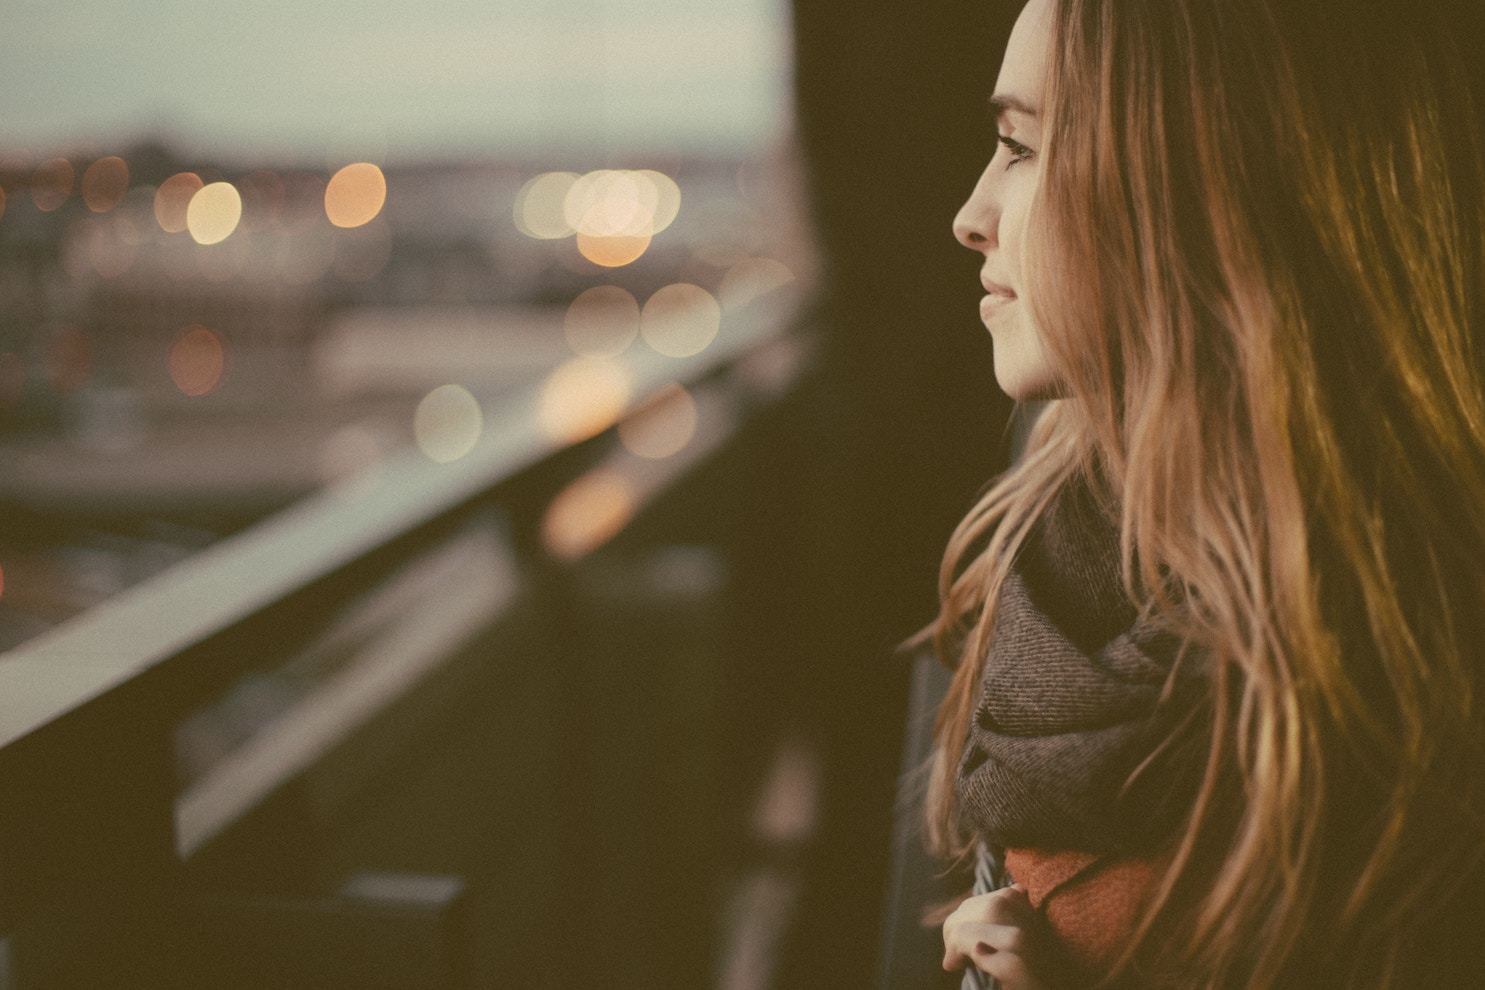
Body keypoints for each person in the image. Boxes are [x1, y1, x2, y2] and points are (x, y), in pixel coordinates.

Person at [903, 0, 1485, 985]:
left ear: (1212, 176)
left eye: (1020, 147)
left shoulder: (1413, 673)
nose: (970, 217)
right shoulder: (1048, 552)